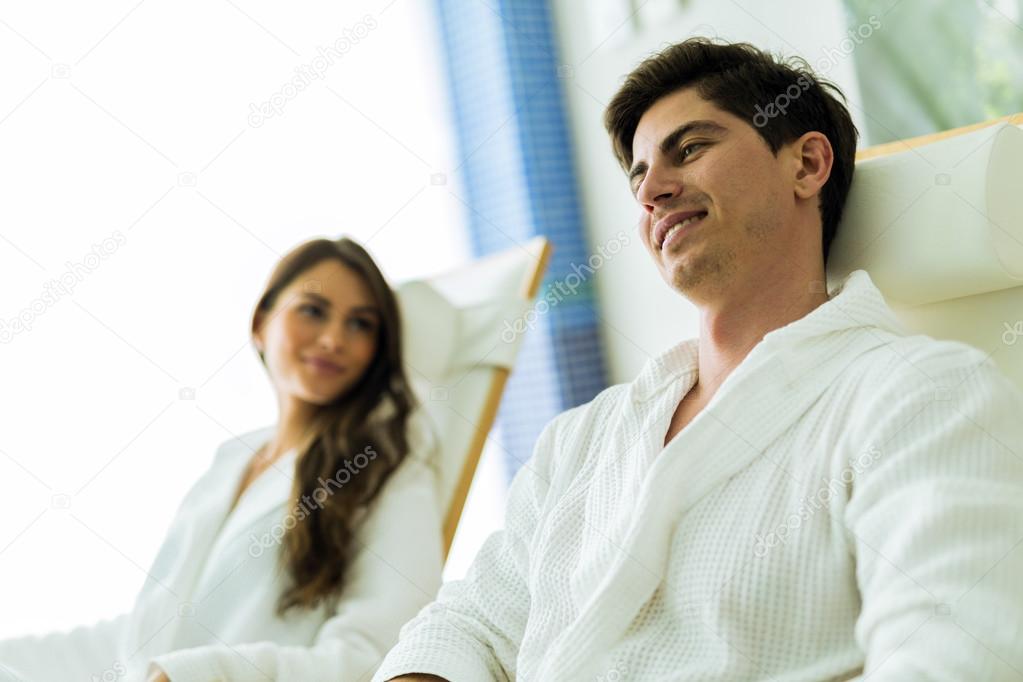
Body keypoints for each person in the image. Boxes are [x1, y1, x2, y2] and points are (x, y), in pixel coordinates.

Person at [373, 38, 1023, 681]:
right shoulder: (583, 440)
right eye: (637, 176)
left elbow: (954, 656)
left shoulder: (919, 396)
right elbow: (468, 627)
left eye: (689, 149)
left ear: (806, 165)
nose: (651, 190)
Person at [0, 237, 443, 682]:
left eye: (361, 324)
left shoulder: (388, 471)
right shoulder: (232, 461)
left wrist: (201, 675)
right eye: (313, 310)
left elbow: (381, 655)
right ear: (260, 322)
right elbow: (147, 636)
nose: (333, 339)